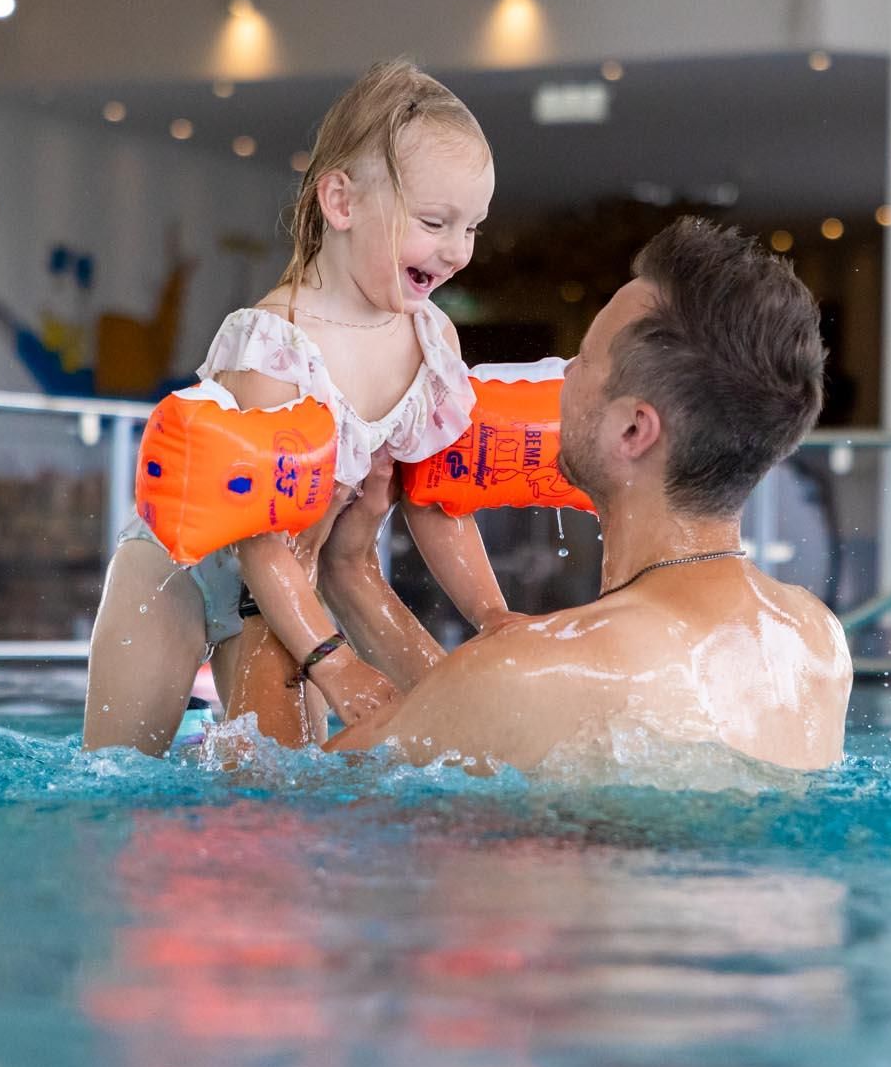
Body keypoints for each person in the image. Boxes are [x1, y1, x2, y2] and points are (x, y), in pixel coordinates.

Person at [82, 61, 519, 754]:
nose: (457, 251)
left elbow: (437, 502)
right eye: (436, 222)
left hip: (292, 579)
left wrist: (493, 617)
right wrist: (333, 661)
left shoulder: (432, 339)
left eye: (473, 228)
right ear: (341, 203)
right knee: (117, 771)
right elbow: (256, 537)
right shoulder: (274, 344)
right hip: (180, 571)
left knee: (284, 782)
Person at [316, 216, 851, 774]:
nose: (563, 374)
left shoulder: (540, 668)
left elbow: (293, 800)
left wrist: (299, 554)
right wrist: (351, 571)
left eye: (585, 360)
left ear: (633, 430)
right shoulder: (815, 639)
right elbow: (492, 729)